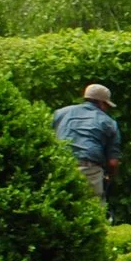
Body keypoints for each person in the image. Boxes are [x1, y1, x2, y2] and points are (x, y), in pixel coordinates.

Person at [52, 84, 121, 214]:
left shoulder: (60, 113)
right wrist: (109, 177)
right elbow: (113, 162)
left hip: (59, 166)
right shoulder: (108, 122)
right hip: (89, 170)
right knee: (92, 211)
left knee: (60, 211)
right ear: (101, 103)